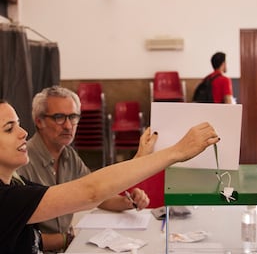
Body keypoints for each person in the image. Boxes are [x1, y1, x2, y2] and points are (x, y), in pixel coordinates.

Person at [0, 99, 218, 254]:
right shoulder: (7, 198)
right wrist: (176, 151)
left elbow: (93, 189)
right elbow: (90, 191)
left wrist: (140, 157)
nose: (23, 133)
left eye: (19, 124)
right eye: (9, 129)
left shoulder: (18, 182)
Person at [16, 86, 155, 253]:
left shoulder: (69, 155)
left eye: (73, 117)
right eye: (59, 117)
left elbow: (97, 195)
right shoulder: (22, 162)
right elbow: (17, 234)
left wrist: (127, 202)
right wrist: (67, 240)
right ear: (39, 121)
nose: (68, 126)